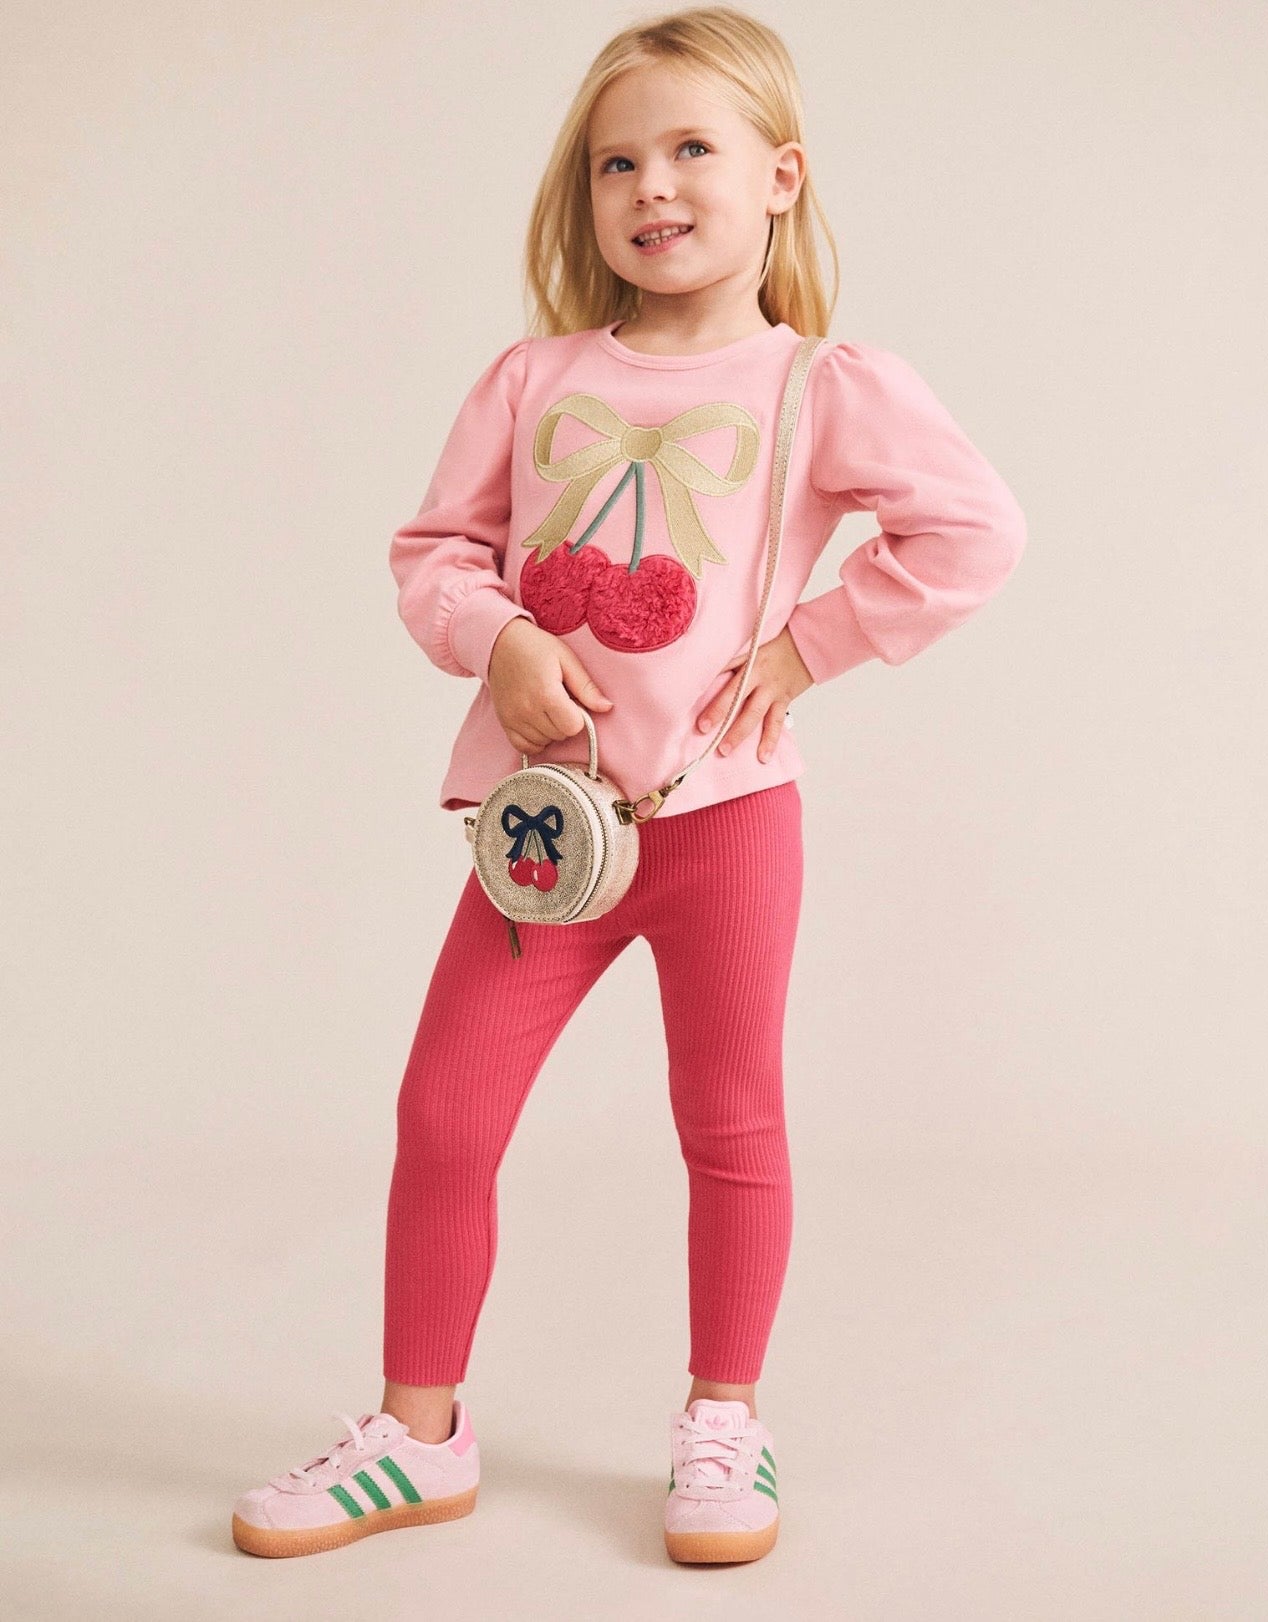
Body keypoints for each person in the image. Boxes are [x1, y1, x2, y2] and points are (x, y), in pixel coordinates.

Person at [231, 3, 1026, 1566]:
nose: (651, 185)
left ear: (780, 176)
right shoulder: (533, 378)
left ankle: (725, 1418)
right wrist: (500, 638)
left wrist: (809, 645)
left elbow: (974, 530)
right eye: (616, 163)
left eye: (690, 150)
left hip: (727, 822)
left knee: (730, 1119)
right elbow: (434, 555)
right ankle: (418, 1433)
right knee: (444, 1109)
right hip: (545, 835)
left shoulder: (822, 385)